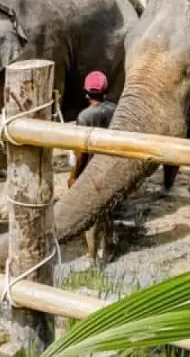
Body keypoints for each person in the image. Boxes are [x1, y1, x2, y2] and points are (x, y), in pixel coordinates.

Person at [68, 71, 117, 262]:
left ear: (86, 92)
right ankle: (108, 249)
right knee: (108, 209)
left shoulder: (85, 117)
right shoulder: (115, 110)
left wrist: (73, 176)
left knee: (91, 216)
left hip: (91, 172)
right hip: (112, 168)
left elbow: (81, 154)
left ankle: (92, 256)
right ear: (105, 90)